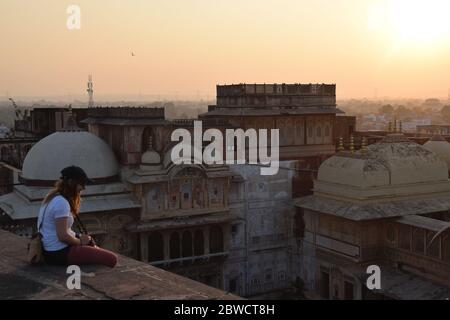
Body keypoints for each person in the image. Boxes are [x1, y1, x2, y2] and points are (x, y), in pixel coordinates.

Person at [37, 165, 117, 267]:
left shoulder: (54, 197)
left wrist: (83, 239)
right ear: (71, 182)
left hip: (50, 249)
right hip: (58, 252)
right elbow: (62, 236)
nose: (83, 188)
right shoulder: (61, 203)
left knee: (88, 240)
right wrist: (80, 242)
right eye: (81, 184)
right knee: (111, 259)